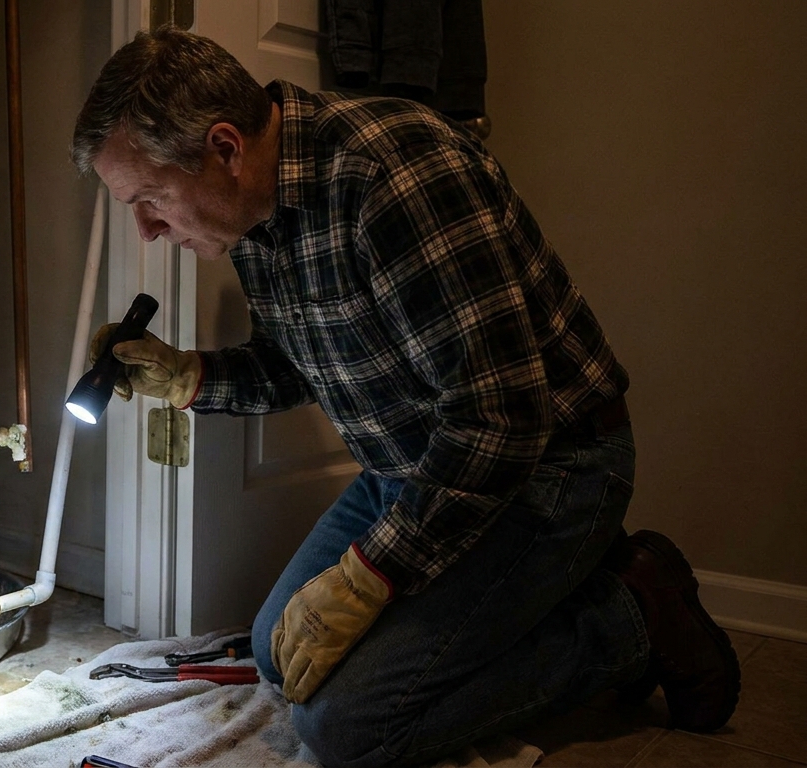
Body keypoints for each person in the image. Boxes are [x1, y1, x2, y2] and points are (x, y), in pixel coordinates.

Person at [72, 26, 740, 767]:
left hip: (547, 468)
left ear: (225, 148)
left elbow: (501, 419)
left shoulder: (397, 173)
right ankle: (543, 589)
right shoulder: (256, 212)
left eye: (151, 199)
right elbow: (299, 362)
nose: (148, 229)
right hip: (412, 469)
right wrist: (185, 376)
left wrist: (374, 573)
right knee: (278, 654)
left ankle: (631, 614)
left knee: (350, 727)